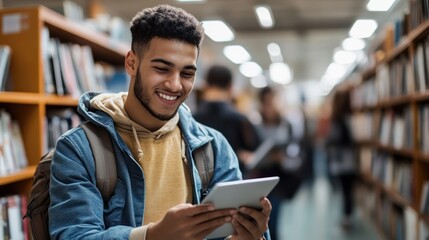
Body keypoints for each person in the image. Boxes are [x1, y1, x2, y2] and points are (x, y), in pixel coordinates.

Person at [48, 5, 272, 240]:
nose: (175, 85)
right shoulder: (79, 149)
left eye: (187, 73)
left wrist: (248, 237)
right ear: (131, 63)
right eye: (162, 69)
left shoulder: (213, 147)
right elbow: (73, 235)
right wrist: (151, 235)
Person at [249, 86, 302, 240]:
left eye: (273, 102)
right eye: (266, 103)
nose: (270, 107)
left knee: (274, 221)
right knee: (258, 223)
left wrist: (283, 159)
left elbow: (296, 155)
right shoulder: (254, 125)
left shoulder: (287, 125)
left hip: (279, 180)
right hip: (258, 179)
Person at [193, 64, 262, 176]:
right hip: (232, 184)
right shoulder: (240, 120)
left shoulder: (191, 119)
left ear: (205, 85)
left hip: (199, 184)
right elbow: (256, 152)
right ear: (231, 87)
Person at [325, 90, 357, 230]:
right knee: (347, 191)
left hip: (341, 162)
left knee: (346, 191)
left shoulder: (337, 119)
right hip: (346, 162)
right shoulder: (344, 119)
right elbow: (346, 140)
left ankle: (346, 217)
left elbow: (337, 140)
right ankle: (347, 217)